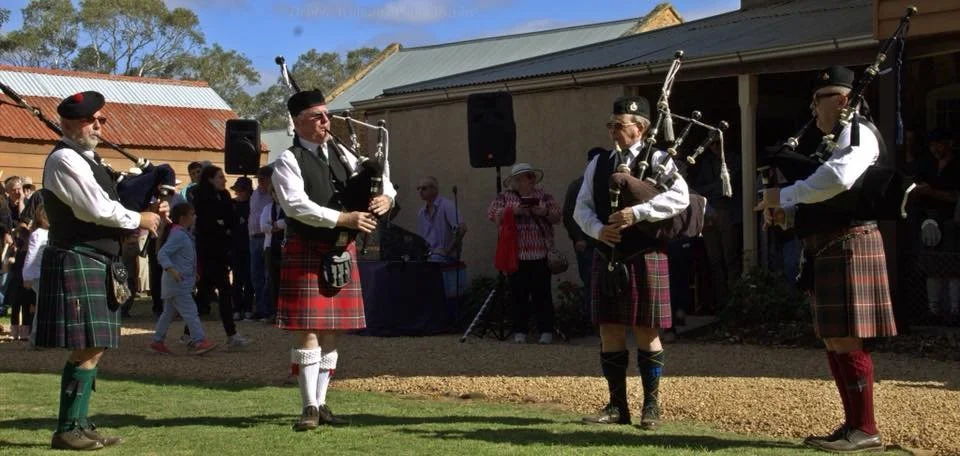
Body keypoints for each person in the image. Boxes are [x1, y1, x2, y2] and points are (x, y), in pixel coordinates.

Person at [759, 66, 897, 453]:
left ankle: (866, 428)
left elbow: (838, 180)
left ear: (840, 100)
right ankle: (853, 425)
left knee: (847, 339)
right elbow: (824, 191)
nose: (812, 110)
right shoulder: (835, 140)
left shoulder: (859, 133)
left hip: (851, 242)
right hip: (829, 245)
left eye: (816, 101)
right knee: (834, 339)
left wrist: (782, 197)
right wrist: (787, 211)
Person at [33, 90, 162, 450]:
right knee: (86, 347)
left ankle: (79, 422)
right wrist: (140, 218)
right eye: (94, 120)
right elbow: (95, 209)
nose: (100, 126)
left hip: (97, 258)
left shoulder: (88, 159)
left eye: (102, 120)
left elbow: (110, 202)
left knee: (96, 346)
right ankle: (66, 428)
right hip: (77, 257)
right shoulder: (64, 160)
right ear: (72, 122)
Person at [271, 89, 396, 431]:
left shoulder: (343, 153)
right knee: (308, 331)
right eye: (317, 116)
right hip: (309, 247)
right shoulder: (288, 160)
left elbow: (380, 179)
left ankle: (323, 402)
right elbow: (296, 206)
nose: (327, 121)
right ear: (298, 122)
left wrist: (386, 197)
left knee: (332, 332)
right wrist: (344, 219)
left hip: (342, 248)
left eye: (327, 115)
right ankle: (308, 406)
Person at [574, 96, 689, 430]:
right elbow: (580, 207)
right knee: (609, 330)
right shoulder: (598, 163)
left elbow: (680, 197)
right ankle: (616, 407)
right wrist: (598, 230)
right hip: (607, 254)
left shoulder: (659, 159)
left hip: (645, 254)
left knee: (646, 332)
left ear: (640, 128)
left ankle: (650, 408)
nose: (613, 131)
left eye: (619, 125)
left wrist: (637, 213)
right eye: (610, 125)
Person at [487, 162, 562, 345]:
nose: (520, 183)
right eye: (516, 179)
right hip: (516, 255)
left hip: (541, 254)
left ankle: (546, 330)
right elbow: (492, 214)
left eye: (523, 178)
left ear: (532, 178)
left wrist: (543, 211)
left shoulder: (544, 195)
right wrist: (513, 211)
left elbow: (557, 215)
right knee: (518, 294)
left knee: (542, 294)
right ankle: (520, 330)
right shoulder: (505, 197)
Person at [191, 165, 250, 348]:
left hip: (222, 251)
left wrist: (223, 225)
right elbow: (207, 224)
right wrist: (221, 226)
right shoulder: (201, 197)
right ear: (210, 179)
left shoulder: (224, 197)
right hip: (209, 251)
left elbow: (230, 222)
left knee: (205, 294)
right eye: (220, 177)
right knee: (224, 291)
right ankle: (231, 334)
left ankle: (188, 332)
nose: (224, 180)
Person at [149, 202, 217, 355]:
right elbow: (162, 254)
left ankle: (157, 340)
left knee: (168, 314)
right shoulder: (179, 235)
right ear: (183, 218)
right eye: (191, 215)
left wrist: (193, 273)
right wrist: (171, 269)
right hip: (178, 283)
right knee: (191, 312)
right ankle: (200, 340)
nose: (194, 217)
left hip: (177, 282)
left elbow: (184, 257)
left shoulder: (180, 234)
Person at [689, 140, 743, 310]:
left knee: (731, 258)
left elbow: (731, 186)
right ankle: (722, 302)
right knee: (714, 261)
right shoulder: (706, 164)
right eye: (711, 144)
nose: (714, 147)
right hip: (709, 213)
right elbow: (698, 188)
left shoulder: (736, 159)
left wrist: (716, 188)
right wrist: (717, 187)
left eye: (717, 143)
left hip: (730, 212)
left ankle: (735, 301)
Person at [911, 128, 960, 317]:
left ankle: (955, 311)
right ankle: (934, 311)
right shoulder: (925, 164)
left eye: (939, 144)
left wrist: (931, 192)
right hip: (928, 221)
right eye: (932, 145)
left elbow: (956, 196)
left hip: (952, 222)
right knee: (932, 267)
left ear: (949, 143)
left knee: (953, 267)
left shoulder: (957, 165)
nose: (936, 148)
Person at [563, 148, 605, 321]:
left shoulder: (607, 183)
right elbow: (569, 213)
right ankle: (592, 320)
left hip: (605, 241)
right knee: (590, 282)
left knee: (607, 283)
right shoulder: (578, 185)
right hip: (587, 243)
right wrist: (578, 238)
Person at [417, 176, 467, 263]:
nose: (420, 191)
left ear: (434, 190)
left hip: (446, 257)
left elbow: (462, 228)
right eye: (418, 188)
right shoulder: (421, 213)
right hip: (429, 256)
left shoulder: (446, 206)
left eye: (424, 188)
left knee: (434, 260)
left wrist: (447, 251)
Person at [250, 166, 273, 320]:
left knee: (267, 275)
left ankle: (267, 309)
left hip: (267, 238)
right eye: (258, 178)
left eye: (263, 179)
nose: (260, 181)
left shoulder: (273, 196)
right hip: (253, 238)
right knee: (256, 276)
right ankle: (258, 307)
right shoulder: (254, 194)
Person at [231, 176, 255, 320]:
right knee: (237, 279)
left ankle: (247, 308)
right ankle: (236, 308)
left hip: (249, 245)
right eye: (237, 190)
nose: (239, 193)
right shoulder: (232, 205)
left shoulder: (252, 204)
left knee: (249, 279)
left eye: (242, 191)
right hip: (235, 246)